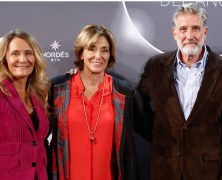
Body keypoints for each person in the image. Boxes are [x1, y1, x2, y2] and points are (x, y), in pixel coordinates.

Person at [136, 3, 222, 180]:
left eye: (196, 29)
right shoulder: (155, 67)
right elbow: (137, 107)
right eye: (183, 29)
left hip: (207, 172)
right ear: (174, 33)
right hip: (165, 169)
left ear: (205, 32)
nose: (189, 36)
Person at [48, 24, 139, 180]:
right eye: (91, 48)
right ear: (81, 53)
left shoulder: (123, 93)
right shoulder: (57, 89)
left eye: (104, 50)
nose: (98, 55)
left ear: (110, 55)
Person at [0, 29, 50, 179]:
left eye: (28, 53)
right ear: (5, 59)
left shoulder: (39, 93)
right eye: (15, 53)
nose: (23, 59)